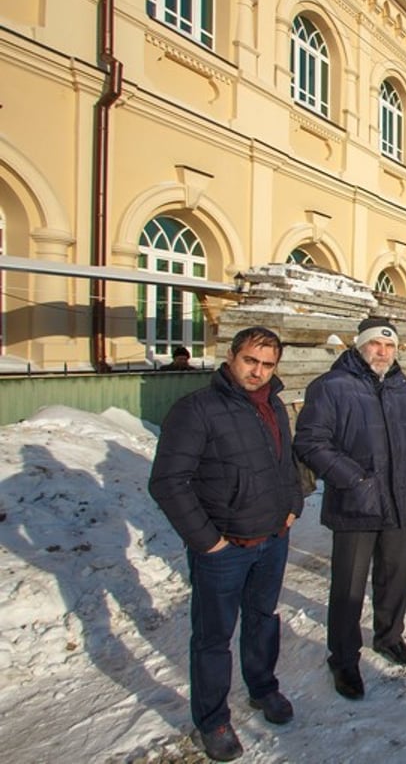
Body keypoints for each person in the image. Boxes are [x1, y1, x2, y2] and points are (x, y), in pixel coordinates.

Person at [149, 326, 302, 762]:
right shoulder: (197, 410)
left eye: (267, 364)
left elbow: (286, 462)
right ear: (232, 357)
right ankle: (213, 719)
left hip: (272, 539)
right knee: (213, 638)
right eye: (250, 361)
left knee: (262, 620)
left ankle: (263, 688)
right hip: (225, 548)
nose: (257, 372)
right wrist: (208, 541)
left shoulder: (273, 404)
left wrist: (292, 505)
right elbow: (167, 482)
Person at [294, 317, 406, 700]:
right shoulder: (331, 387)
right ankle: (342, 659)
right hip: (355, 503)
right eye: (376, 344)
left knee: (395, 576)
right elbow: (310, 441)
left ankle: (389, 637)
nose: (383, 352)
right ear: (360, 345)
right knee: (349, 587)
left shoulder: (403, 387)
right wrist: (355, 479)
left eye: (390, 346)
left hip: (394, 500)